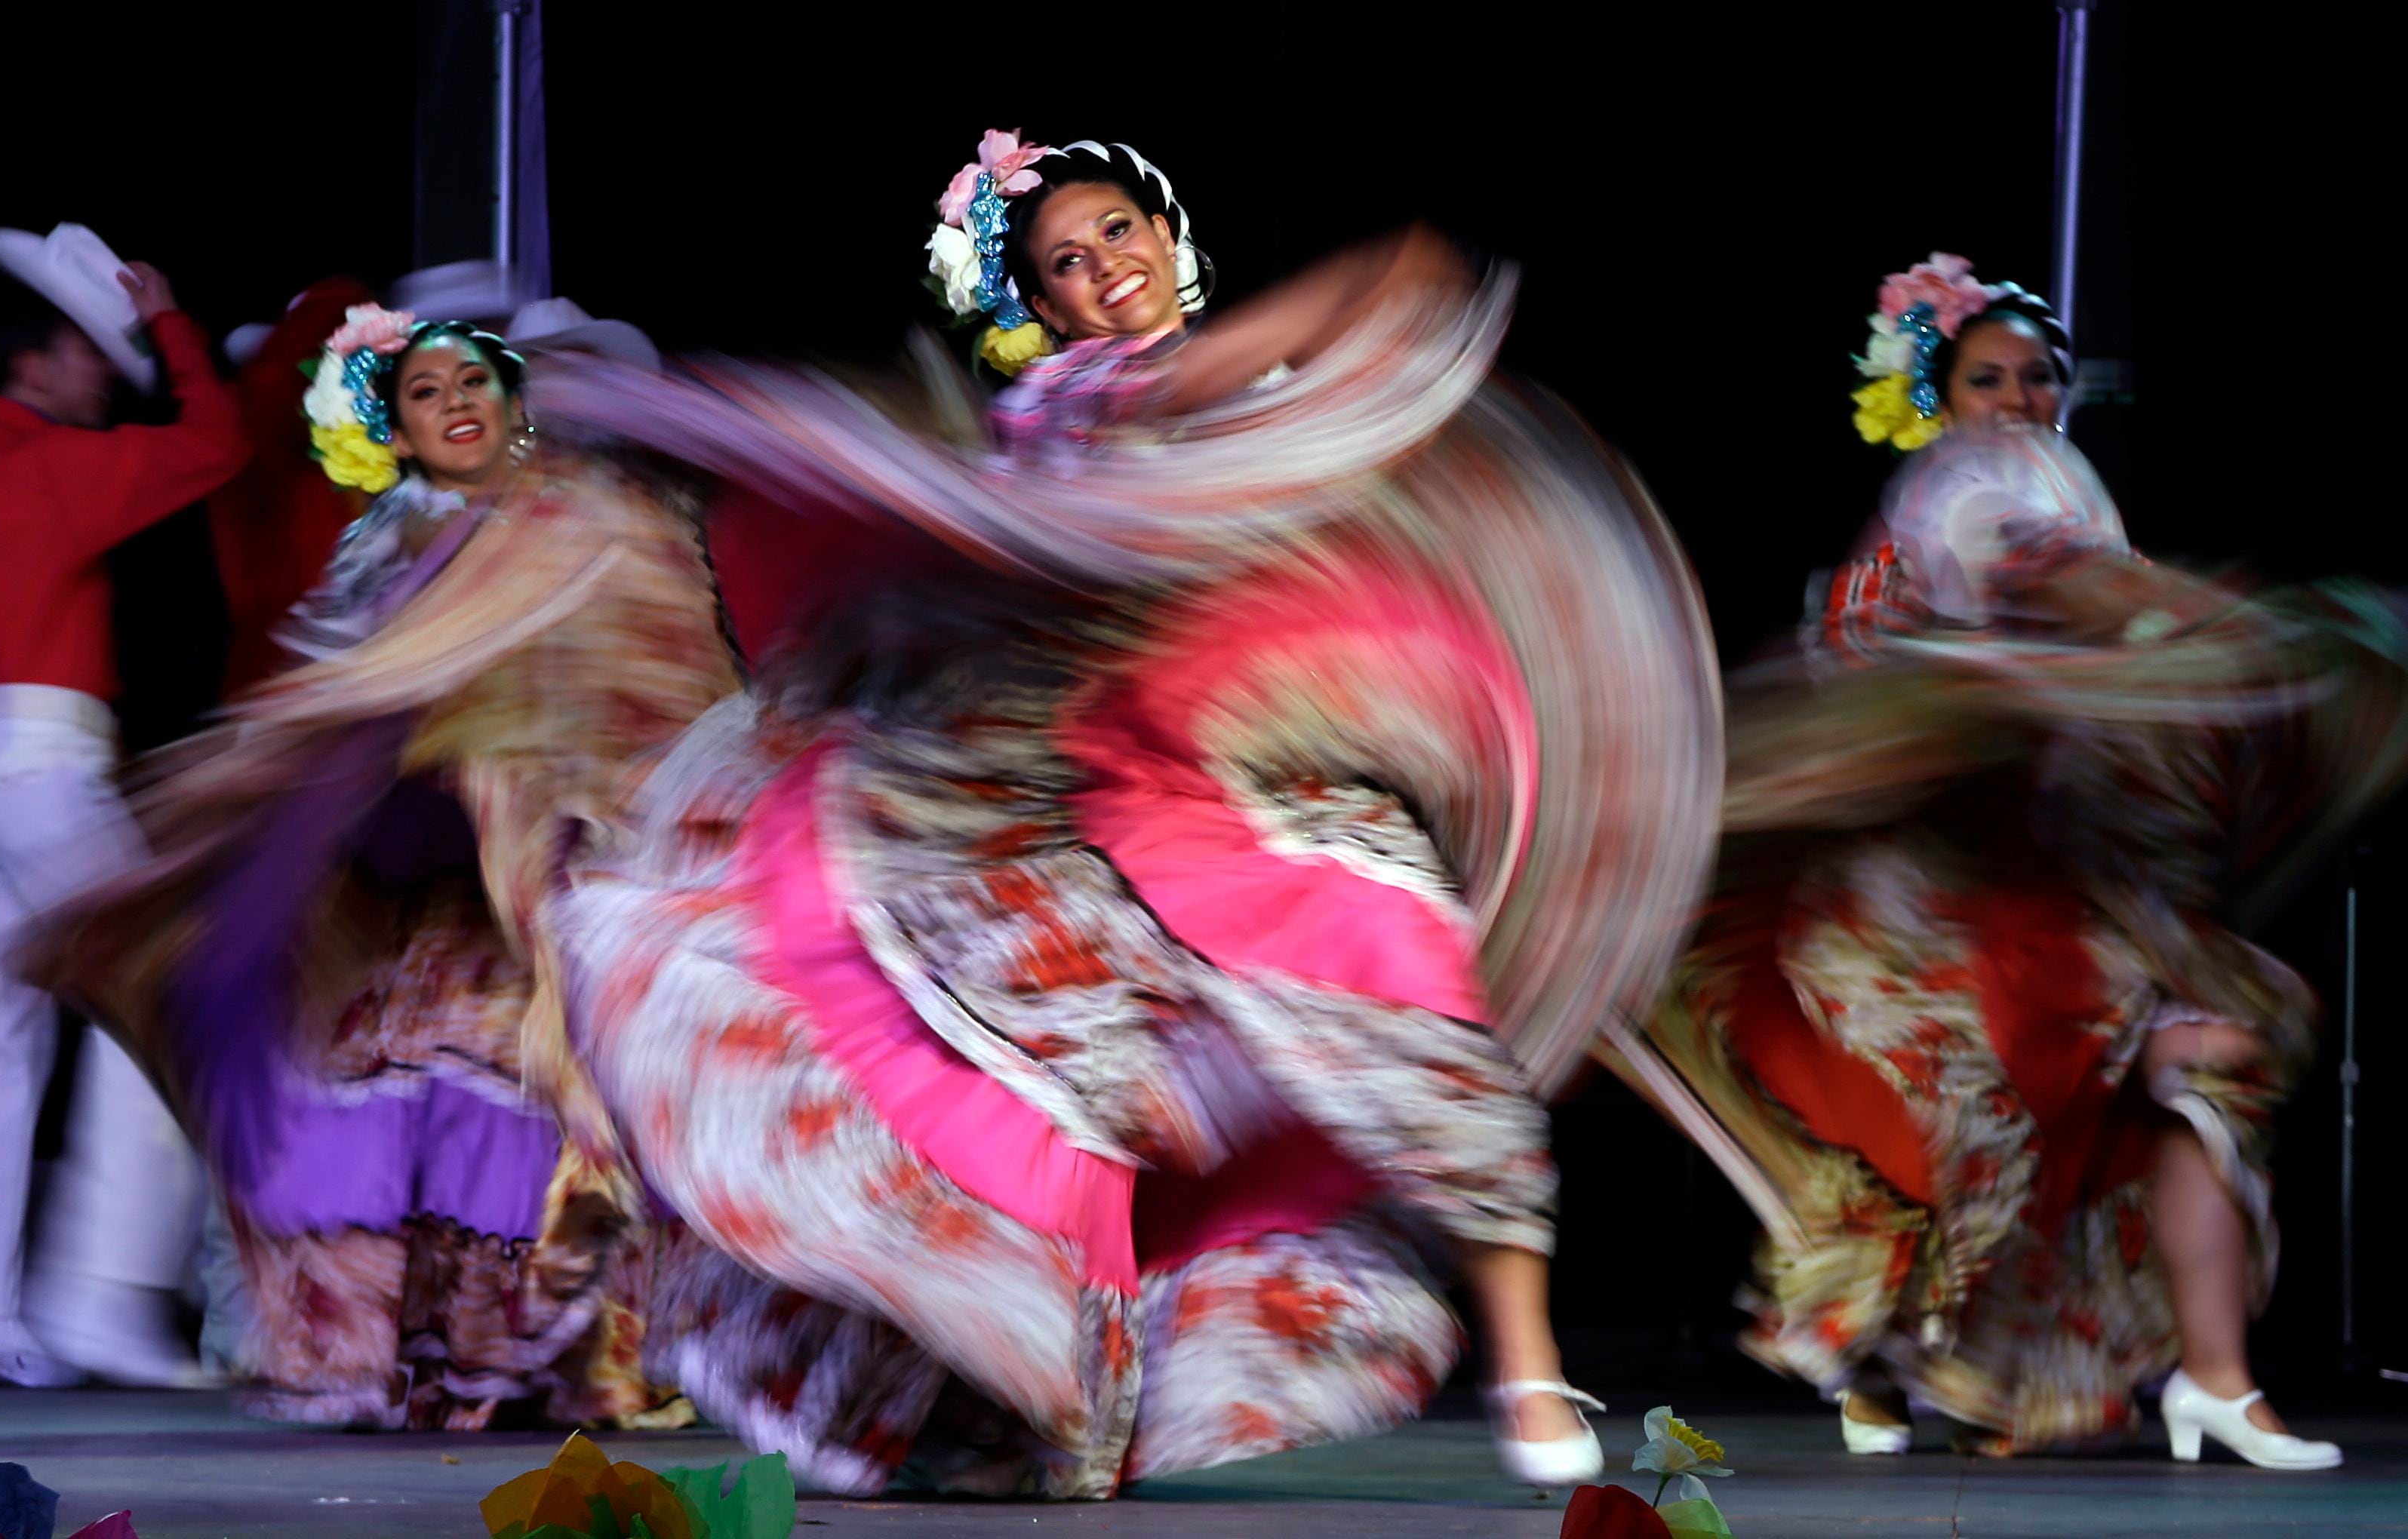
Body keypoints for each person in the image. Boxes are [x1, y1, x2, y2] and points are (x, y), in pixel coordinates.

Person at [534, 131, 1721, 1496]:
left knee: (1416, 996)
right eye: (1064, 266)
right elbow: (1322, 337)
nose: (1103, 273)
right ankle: (1066, 1389)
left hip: (1265, 780)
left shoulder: (1258, 401)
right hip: (1090, 812)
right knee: (1077, 1114)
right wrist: (1378, 304)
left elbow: (1368, 361)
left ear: (1166, 233)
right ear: (1039, 311)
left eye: (1116, 236)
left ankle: (1523, 1362)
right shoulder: (1082, 402)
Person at [1612, 254, 2406, 1467]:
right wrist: (2225, 627)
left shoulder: (2056, 485)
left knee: (2217, 1055)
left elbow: (2095, 634)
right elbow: (2049, 591)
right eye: (1988, 377)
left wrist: (2224, 658)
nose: (2018, 398)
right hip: (1944, 884)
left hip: (2075, 873)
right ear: (1942, 394)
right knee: (1990, 1110)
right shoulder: (1960, 488)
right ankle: (1914, 1359)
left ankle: (2213, 1379)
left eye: (2039, 377)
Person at [25, 309, 733, 1429]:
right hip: (429, 885)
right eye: (421, 392)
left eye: (473, 381)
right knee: (400, 1089)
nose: (453, 401)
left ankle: (572, 1359)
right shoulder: (386, 547)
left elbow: (670, 683)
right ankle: (419, 1362)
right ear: (395, 433)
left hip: (574, 881)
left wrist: (563, 784)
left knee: (563, 1100)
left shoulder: (601, 522)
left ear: (512, 402)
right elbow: (345, 704)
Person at [0, 223, 248, 1390]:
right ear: (33, 362)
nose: (106, 373)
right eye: (89, 353)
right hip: (38, 770)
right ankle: (98, 1294)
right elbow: (215, 443)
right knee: (159, 1002)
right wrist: (169, 323)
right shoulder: (45, 469)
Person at [207, 279, 377, 694]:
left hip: (308, 658)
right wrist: (344, 300)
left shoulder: (333, 448)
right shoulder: (277, 443)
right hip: (302, 660)